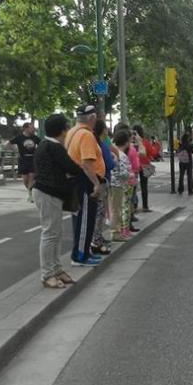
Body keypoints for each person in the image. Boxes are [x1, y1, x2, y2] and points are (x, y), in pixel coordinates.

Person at [33, 114, 86, 288]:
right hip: (48, 193)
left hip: (48, 193)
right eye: (67, 127)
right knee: (50, 234)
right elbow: (71, 167)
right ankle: (47, 274)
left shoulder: (46, 145)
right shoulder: (53, 147)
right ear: (62, 130)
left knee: (55, 233)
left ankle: (56, 269)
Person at [65, 105, 105, 266]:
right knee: (85, 220)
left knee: (80, 219)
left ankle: (83, 251)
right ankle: (80, 255)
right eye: (96, 118)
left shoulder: (72, 132)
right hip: (85, 181)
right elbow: (87, 163)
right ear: (91, 118)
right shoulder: (86, 135)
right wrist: (96, 183)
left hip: (76, 181)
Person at [91, 120, 115, 256]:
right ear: (102, 130)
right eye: (106, 127)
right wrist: (114, 160)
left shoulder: (98, 143)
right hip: (102, 180)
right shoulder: (101, 144)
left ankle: (97, 238)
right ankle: (96, 241)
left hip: (99, 180)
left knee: (99, 212)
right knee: (99, 212)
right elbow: (109, 163)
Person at [109, 128, 133, 242]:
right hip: (117, 185)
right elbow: (123, 173)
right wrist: (129, 174)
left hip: (110, 184)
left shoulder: (112, 152)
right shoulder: (122, 155)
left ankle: (115, 231)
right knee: (116, 209)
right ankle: (116, 233)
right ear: (126, 142)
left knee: (113, 209)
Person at [8, 123, 41, 202]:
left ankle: (31, 195)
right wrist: (15, 150)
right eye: (31, 128)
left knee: (32, 176)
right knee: (25, 180)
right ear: (26, 129)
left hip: (32, 159)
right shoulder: (19, 137)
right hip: (23, 159)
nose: (33, 129)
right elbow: (7, 144)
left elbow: (42, 145)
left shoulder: (35, 138)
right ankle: (30, 192)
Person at [132, 125, 153, 212]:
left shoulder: (131, 143)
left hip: (135, 166)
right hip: (145, 165)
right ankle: (145, 206)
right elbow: (151, 152)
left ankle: (134, 206)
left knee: (133, 187)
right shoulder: (145, 142)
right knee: (144, 186)